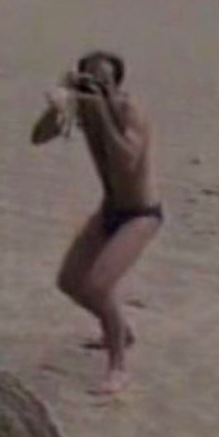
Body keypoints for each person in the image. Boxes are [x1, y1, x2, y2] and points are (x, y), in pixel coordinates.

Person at [45, 51, 163, 394]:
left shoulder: (129, 111)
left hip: (141, 214)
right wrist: (57, 104)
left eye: (105, 80)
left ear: (117, 83)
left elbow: (127, 161)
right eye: (91, 79)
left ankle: (118, 367)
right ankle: (121, 331)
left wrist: (102, 111)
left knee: (98, 286)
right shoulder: (83, 105)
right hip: (110, 208)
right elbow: (39, 136)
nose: (97, 86)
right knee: (69, 281)